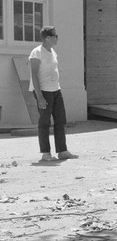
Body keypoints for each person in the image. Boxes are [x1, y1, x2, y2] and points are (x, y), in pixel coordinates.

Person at [29, 26, 78, 161]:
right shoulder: (36, 52)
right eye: (55, 36)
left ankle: (62, 151)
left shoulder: (53, 52)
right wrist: (39, 97)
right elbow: (33, 74)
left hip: (56, 90)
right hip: (43, 91)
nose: (57, 38)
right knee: (44, 122)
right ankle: (45, 153)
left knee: (61, 120)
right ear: (47, 38)